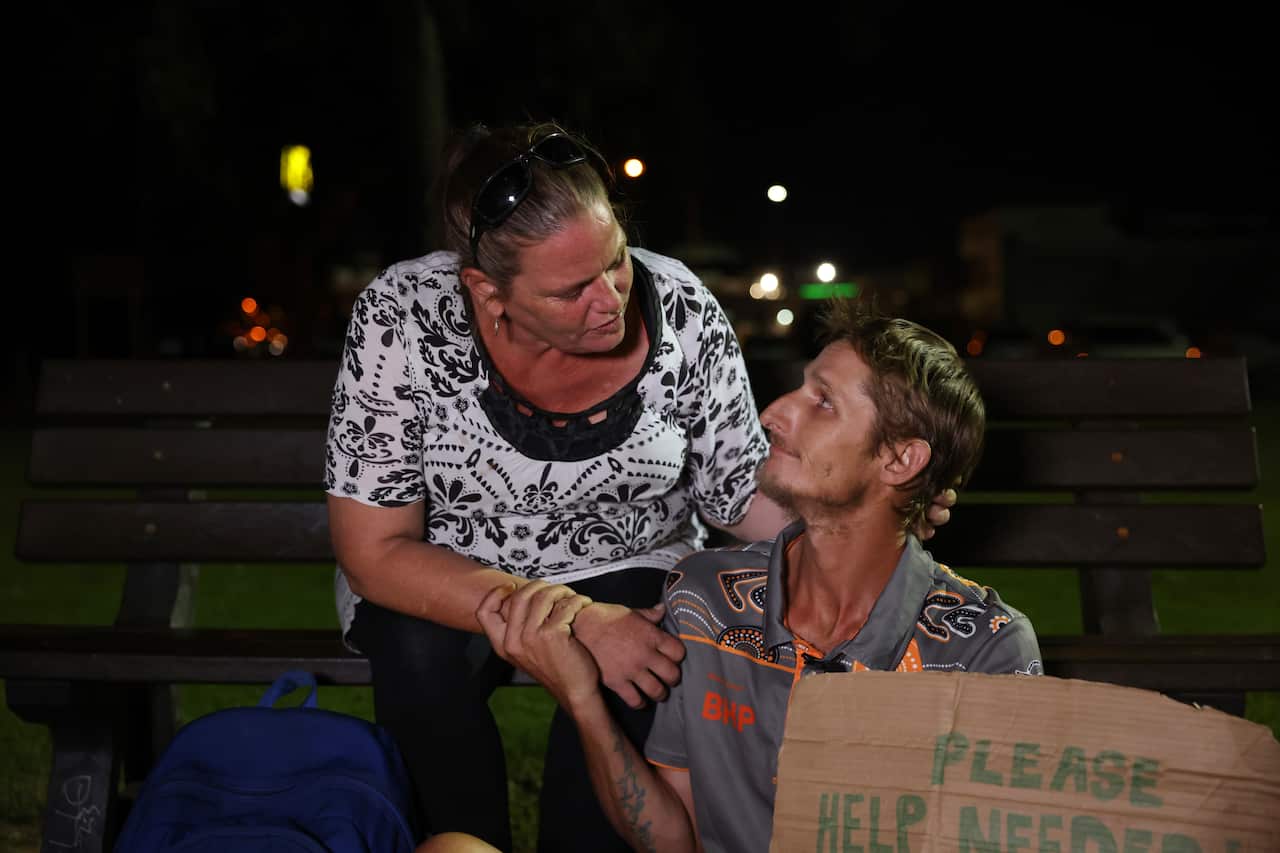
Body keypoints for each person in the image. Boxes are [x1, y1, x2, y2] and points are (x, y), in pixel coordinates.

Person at [325, 120, 955, 850]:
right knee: (417, 654)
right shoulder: (404, 317)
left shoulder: (681, 308)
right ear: (486, 290)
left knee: (648, 645)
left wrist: (864, 511)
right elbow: (375, 552)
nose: (610, 301)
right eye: (571, 290)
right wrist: (573, 620)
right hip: (448, 571)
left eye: (615, 262)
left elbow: (735, 492)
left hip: (630, 561)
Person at [476, 303, 1043, 853]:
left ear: (899, 460)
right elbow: (674, 839)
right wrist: (582, 699)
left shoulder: (983, 646)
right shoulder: (706, 598)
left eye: (824, 402)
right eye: (802, 388)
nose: (773, 413)